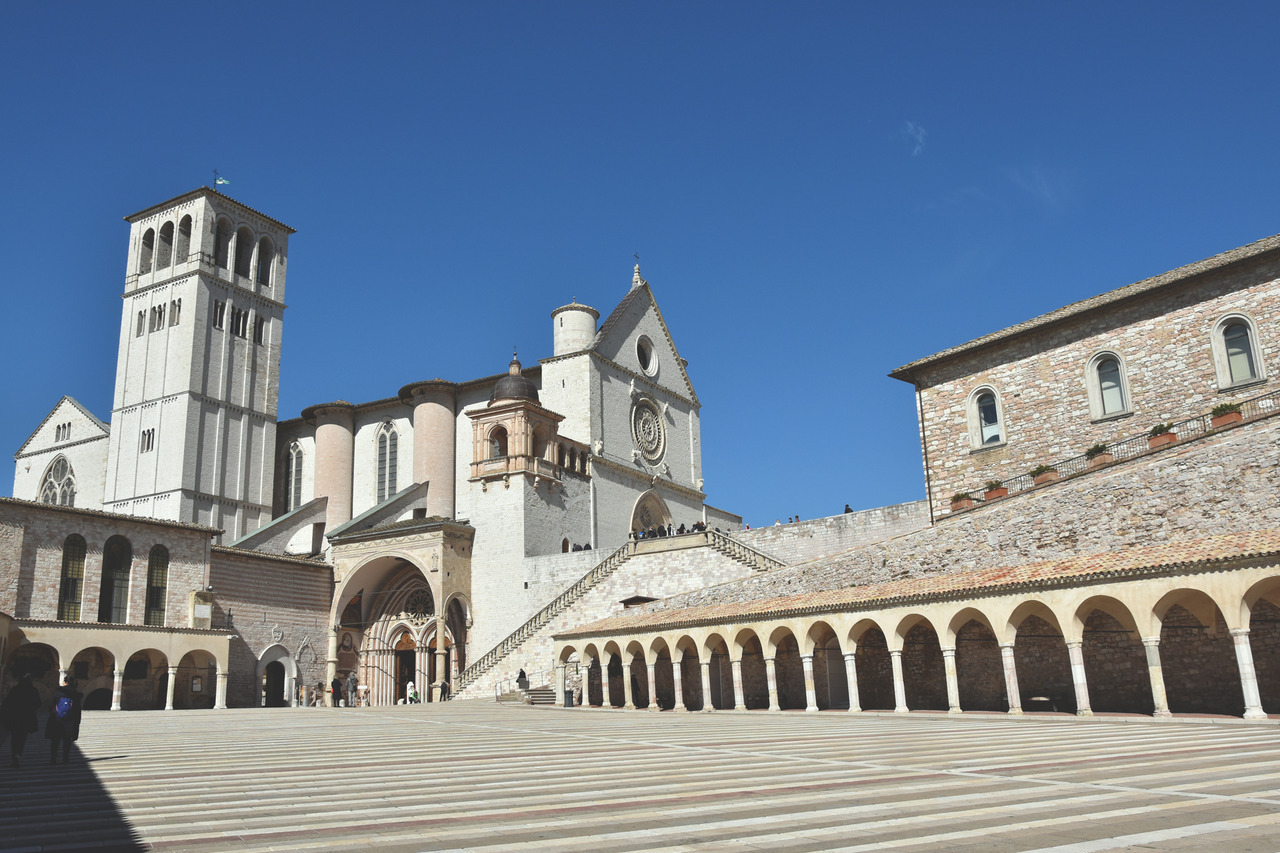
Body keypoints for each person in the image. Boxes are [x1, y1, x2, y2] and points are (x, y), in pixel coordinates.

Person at [2, 673, 40, 768]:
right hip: (26, 718)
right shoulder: (33, 691)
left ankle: (14, 755)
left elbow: (7, 703)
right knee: (22, 738)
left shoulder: (15, 690)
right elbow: (38, 703)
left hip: (15, 718)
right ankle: (18, 754)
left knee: (14, 738)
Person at [45, 676, 81, 765]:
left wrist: (53, 714)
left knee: (55, 741)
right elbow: (78, 711)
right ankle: (65, 759)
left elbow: (50, 705)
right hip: (70, 721)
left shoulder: (58, 692)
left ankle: (53, 760)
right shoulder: (76, 694)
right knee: (67, 742)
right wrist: (77, 724)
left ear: (65, 682)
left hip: (57, 720)